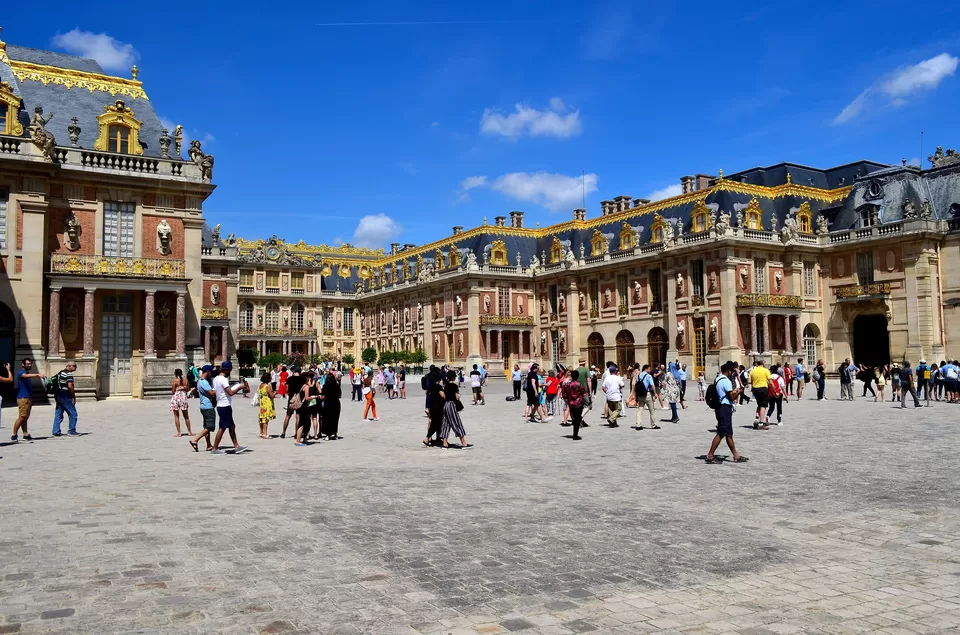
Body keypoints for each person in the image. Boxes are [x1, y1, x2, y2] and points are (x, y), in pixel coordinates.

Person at [705, 362, 748, 464]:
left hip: (719, 408)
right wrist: (739, 391)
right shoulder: (726, 381)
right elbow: (732, 397)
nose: (732, 373)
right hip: (724, 408)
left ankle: (736, 456)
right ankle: (710, 455)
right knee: (721, 433)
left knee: (728, 434)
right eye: (731, 371)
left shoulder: (718, 379)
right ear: (728, 371)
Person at [211, 361, 247, 451]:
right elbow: (230, 393)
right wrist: (240, 387)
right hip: (224, 405)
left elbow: (217, 391)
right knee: (222, 428)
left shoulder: (216, 379)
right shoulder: (223, 379)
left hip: (220, 404)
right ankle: (214, 448)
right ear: (228, 369)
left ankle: (237, 446)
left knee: (231, 426)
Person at [11, 358, 44, 442]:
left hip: (28, 398)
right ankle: (14, 435)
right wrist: (37, 375)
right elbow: (24, 376)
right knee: (22, 417)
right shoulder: (21, 373)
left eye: (30, 364)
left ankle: (25, 434)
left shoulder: (27, 373)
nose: (29, 365)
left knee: (25, 417)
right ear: (23, 364)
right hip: (23, 398)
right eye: (28, 364)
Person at [439, 370, 471, 449]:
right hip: (452, 405)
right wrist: (459, 396)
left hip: (446, 405)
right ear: (453, 377)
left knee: (446, 423)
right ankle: (463, 443)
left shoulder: (445, 386)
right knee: (457, 422)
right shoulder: (454, 386)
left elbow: (445, 396)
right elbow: (457, 397)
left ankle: (445, 443)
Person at [189, 365, 216, 452]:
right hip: (208, 406)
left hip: (203, 405)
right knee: (210, 426)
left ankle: (208, 445)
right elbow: (211, 393)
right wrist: (218, 390)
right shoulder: (204, 382)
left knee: (206, 426)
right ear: (208, 372)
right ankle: (195, 440)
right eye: (210, 371)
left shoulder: (199, 381)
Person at [50, 361, 79, 437]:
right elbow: (70, 386)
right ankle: (71, 431)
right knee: (73, 413)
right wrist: (73, 396)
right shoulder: (68, 374)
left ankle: (56, 431)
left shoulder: (60, 373)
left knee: (59, 413)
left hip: (58, 395)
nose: (75, 368)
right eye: (75, 366)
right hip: (65, 395)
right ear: (69, 366)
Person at [561, 369, 588, 440]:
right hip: (578, 403)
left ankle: (575, 433)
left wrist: (567, 401)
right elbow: (584, 393)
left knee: (574, 418)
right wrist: (587, 402)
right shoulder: (579, 384)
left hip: (570, 403)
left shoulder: (566, 385)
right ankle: (575, 435)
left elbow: (564, 394)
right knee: (577, 419)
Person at [423, 367, 445, 446]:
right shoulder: (435, 383)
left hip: (430, 401)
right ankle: (429, 438)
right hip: (435, 404)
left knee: (433, 421)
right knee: (433, 422)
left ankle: (434, 438)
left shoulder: (428, 378)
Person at [280, 366, 305, 438]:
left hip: (291, 399)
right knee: (298, 417)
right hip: (299, 399)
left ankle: (283, 432)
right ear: (300, 372)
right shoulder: (303, 379)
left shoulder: (289, 379)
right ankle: (296, 433)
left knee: (288, 416)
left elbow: (287, 389)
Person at [633, 364, 659, 430]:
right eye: (649, 369)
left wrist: (636, 395)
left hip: (640, 395)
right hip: (648, 394)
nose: (650, 370)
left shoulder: (638, 376)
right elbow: (652, 385)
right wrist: (655, 393)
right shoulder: (648, 376)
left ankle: (638, 425)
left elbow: (636, 385)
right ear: (646, 369)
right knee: (651, 410)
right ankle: (653, 425)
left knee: (639, 410)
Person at [748, 360, 771, 430]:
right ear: (763, 364)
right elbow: (770, 381)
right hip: (763, 388)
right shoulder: (766, 370)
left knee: (759, 404)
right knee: (763, 406)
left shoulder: (753, 371)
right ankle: (761, 423)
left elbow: (749, 381)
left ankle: (756, 419)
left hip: (755, 389)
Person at [170, 368, 193, 437]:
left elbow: (173, 391)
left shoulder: (175, 381)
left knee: (176, 416)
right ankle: (189, 432)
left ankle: (179, 432)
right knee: (186, 416)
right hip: (183, 398)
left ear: (175, 374)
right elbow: (187, 389)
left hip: (176, 398)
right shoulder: (186, 380)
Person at [321, 368, 342, 440]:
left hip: (328, 403)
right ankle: (335, 434)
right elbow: (340, 395)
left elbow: (323, 396)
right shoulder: (336, 385)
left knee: (327, 419)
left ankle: (328, 435)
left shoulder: (325, 386)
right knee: (335, 419)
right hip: (336, 403)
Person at [257, 372, 276, 439]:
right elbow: (272, 396)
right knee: (266, 419)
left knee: (261, 418)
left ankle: (261, 432)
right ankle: (265, 433)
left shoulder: (260, 385)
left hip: (262, 403)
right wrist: (275, 392)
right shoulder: (267, 386)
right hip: (267, 403)